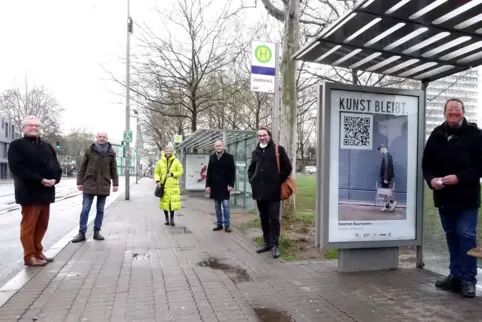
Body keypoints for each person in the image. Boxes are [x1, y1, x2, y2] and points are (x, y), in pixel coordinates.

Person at [422, 98, 482, 298]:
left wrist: (459, 178)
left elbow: (479, 167)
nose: (453, 113)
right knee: (451, 236)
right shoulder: (436, 134)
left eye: (457, 110)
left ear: (463, 112)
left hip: (466, 198)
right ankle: (455, 276)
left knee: (466, 237)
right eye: (450, 110)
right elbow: (426, 165)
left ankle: (468, 280)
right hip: (444, 197)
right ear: (444, 113)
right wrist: (431, 180)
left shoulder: (476, 135)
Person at [8, 115, 62, 266]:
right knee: (29, 226)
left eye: (36, 126)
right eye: (30, 125)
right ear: (24, 128)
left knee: (42, 225)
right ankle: (29, 255)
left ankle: (38, 251)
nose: (34, 128)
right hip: (29, 192)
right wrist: (40, 180)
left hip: (46, 193)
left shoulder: (47, 146)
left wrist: (55, 179)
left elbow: (56, 166)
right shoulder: (17, 145)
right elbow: (17, 168)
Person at [248, 126, 292, 258]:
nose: (262, 137)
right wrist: (252, 180)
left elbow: (288, 166)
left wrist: (277, 180)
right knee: (263, 218)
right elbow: (251, 169)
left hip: (273, 191)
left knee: (274, 218)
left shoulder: (278, 149)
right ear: (258, 137)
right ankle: (266, 242)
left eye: (264, 135)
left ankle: (275, 245)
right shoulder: (255, 151)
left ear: (269, 136)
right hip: (259, 191)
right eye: (260, 136)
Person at [71, 132, 119, 243]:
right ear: (96, 138)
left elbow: (114, 169)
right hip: (89, 183)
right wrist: (80, 182)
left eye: (104, 137)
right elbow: (82, 167)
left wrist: (115, 183)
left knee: (100, 209)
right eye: (100, 137)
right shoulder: (89, 150)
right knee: (85, 209)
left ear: (107, 139)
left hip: (104, 183)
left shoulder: (111, 153)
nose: (102, 139)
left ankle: (97, 231)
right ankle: (81, 233)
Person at [205, 140, 236, 233]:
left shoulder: (229, 157)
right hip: (215, 185)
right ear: (215, 147)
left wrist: (231, 184)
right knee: (217, 206)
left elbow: (233, 172)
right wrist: (208, 185)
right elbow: (209, 172)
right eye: (216, 146)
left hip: (225, 185)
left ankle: (227, 225)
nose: (218, 147)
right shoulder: (212, 157)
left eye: (220, 145)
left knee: (226, 205)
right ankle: (219, 224)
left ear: (223, 146)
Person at [154, 144, 184, 226]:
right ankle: (166, 219)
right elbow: (156, 172)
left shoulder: (176, 161)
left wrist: (172, 174)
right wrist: (157, 181)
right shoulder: (160, 162)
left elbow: (181, 171)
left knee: (172, 203)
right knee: (165, 203)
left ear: (172, 152)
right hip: (163, 185)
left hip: (173, 186)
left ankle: (172, 219)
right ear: (164, 152)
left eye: (170, 151)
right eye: (167, 151)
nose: (168, 152)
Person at [378, 144, 397, 212]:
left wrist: (385, 178)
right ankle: (387, 205)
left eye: (380, 149)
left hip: (385, 177)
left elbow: (386, 168)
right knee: (386, 191)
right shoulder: (389, 155)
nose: (380, 151)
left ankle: (392, 202)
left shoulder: (386, 156)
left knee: (385, 191)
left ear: (383, 148)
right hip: (388, 176)